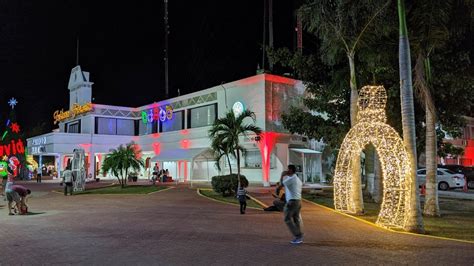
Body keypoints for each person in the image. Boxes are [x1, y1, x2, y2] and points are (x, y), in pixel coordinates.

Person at [282, 165, 304, 244]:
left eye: (288, 169)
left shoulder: (292, 179)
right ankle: (299, 237)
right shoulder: (297, 179)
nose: (286, 170)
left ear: (291, 170)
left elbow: (281, 184)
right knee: (296, 219)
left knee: (287, 219)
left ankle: (298, 235)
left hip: (292, 202)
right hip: (298, 201)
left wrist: (282, 175)